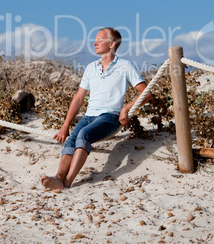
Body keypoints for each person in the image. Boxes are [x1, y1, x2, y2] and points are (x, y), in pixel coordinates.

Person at [40, 27, 152, 190]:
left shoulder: (125, 66)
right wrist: (65, 126)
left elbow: (147, 93)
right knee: (71, 139)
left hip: (109, 117)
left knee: (84, 135)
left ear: (112, 44)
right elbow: (78, 98)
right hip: (88, 117)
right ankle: (58, 177)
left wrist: (126, 108)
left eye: (100, 40)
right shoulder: (91, 67)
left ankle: (68, 182)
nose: (95, 43)